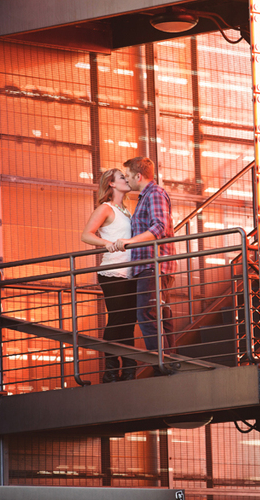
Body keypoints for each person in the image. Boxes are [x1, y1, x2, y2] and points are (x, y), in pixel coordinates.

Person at [110, 157, 176, 375]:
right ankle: (169, 361)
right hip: (150, 266)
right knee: (159, 314)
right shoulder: (145, 197)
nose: (127, 180)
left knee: (147, 314)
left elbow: (159, 227)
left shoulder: (155, 194)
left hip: (153, 266)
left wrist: (130, 241)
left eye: (128, 176)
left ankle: (162, 364)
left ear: (138, 176)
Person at [81, 168, 138, 383]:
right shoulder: (105, 208)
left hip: (130, 272)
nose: (127, 179)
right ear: (112, 184)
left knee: (128, 322)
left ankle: (129, 370)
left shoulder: (126, 210)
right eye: (122, 177)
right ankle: (111, 371)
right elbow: (86, 234)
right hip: (112, 272)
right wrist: (109, 245)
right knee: (117, 320)